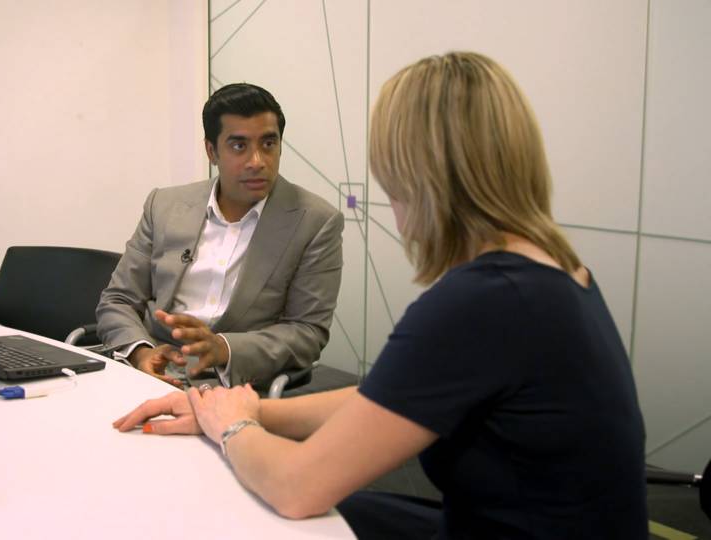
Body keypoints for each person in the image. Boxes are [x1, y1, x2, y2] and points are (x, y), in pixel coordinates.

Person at [112, 52, 648, 539]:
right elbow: (387, 399)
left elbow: (297, 486)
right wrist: (235, 407)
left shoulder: (480, 303)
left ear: (419, 176)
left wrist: (232, 426)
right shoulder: (556, 270)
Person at [96, 83, 344, 389]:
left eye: (269, 144)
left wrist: (224, 348)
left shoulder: (315, 221)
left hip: (234, 384)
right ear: (212, 151)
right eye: (239, 146)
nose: (257, 161)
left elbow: (308, 332)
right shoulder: (164, 206)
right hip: (148, 376)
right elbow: (118, 299)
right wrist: (141, 353)